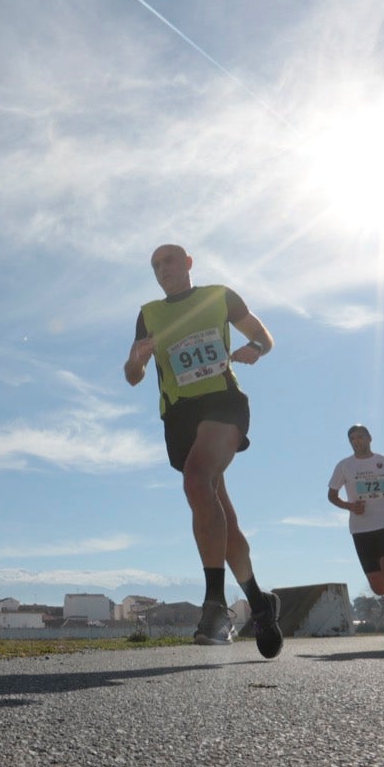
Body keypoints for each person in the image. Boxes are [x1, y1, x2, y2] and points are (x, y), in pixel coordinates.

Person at [124, 243, 282, 657]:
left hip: (222, 402)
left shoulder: (219, 296)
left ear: (188, 263)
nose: (162, 270)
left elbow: (262, 334)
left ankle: (214, 606)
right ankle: (260, 603)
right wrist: (138, 360)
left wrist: (258, 349)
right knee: (219, 511)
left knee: (196, 480)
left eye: (169, 261)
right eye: (155, 265)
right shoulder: (149, 314)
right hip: (179, 417)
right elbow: (131, 375)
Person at [326, 424, 384, 652]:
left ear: (369, 437)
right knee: (379, 587)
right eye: (351, 438)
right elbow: (331, 495)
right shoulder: (344, 466)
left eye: (359, 436)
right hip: (361, 531)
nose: (356, 441)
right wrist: (349, 506)